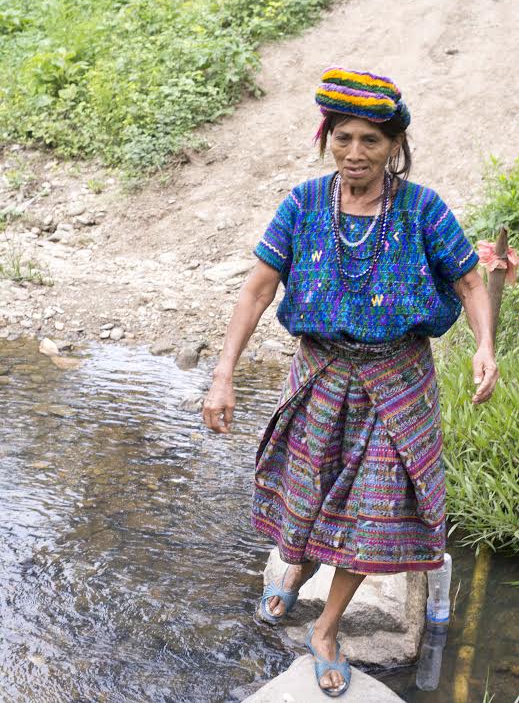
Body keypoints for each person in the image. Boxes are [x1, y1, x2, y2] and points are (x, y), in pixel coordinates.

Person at [202, 67, 498, 697]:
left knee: (377, 511)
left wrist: (485, 348)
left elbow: (471, 280)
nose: (355, 154)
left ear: (395, 145)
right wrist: (223, 373)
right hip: (322, 372)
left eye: (371, 140)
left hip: (398, 379)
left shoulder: (423, 210)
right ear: (326, 139)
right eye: (343, 139)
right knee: (307, 490)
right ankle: (291, 572)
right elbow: (257, 289)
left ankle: (327, 629)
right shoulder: (304, 204)